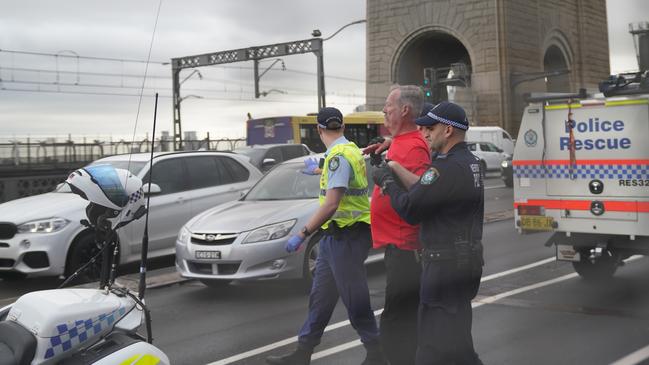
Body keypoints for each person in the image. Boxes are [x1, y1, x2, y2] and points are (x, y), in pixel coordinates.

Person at [266, 107, 388, 365]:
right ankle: (303, 352)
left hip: (348, 236)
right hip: (336, 238)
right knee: (320, 297)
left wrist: (302, 233)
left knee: (355, 298)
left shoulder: (337, 157)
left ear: (319, 130)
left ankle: (376, 353)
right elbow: (344, 177)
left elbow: (331, 204)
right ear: (342, 127)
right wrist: (321, 171)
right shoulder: (349, 149)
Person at [372, 101, 484, 365]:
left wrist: (387, 183)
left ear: (447, 131)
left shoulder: (445, 168)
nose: (425, 134)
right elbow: (426, 188)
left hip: (443, 268)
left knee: (431, 349)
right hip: (464, 265)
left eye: (430, 129)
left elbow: (411, 208)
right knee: (459, 346)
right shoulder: (470, 163)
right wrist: (396, 167)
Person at [366, 85, 431, 365]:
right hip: (396, 246)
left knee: (397, 318)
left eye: (388, 108)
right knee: (398, 316)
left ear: (405, 110)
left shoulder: (415, 146)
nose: (384, 112)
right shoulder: (401, 141)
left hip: (407, 249)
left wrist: (389, 178)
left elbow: (419, 196)